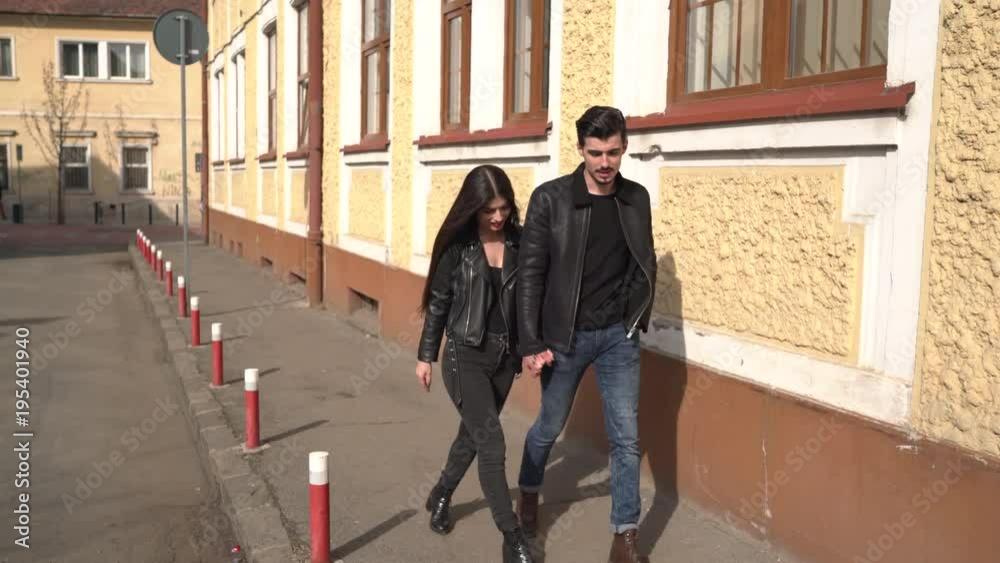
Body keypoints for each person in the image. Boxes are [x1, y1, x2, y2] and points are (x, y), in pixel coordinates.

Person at [515, 106, 657, 563]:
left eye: (613, 152)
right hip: (564, 338)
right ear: (580, 149)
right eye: (595, 153)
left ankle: (625, 537)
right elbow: (530, 275)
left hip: (618, 335)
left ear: (624, 148)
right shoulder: (550, 199)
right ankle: (529, 491)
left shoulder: (635, 199)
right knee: (549, 426)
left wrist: (631, 315)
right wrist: (531, 342)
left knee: (626, 437)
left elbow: (643, 260)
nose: (604, 162)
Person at [415, 164, 535, 563]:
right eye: (489, 210)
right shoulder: (459, 246)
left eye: (504, 208)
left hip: (504, 359)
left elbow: (532, 297)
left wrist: (533, 346)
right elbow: (439, 303)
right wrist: (425, 356)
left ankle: (441, 493)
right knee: (493, 443)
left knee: (473, 436)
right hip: (463, 356)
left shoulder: (519, 241)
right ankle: (512, 537)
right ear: (473, 208)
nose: (498, 217)